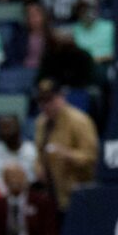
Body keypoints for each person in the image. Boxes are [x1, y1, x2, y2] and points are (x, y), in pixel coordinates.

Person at [33, 80, 99, 209]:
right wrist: (39, 169)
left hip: (76, 195)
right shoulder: (41, 122)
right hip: (51, 194)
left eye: (50, 100)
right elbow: (39, 154)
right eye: (41, 101)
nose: (45, 106)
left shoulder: (79, 121)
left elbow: (91, 157)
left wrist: (67, 154)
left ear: (61, 98)